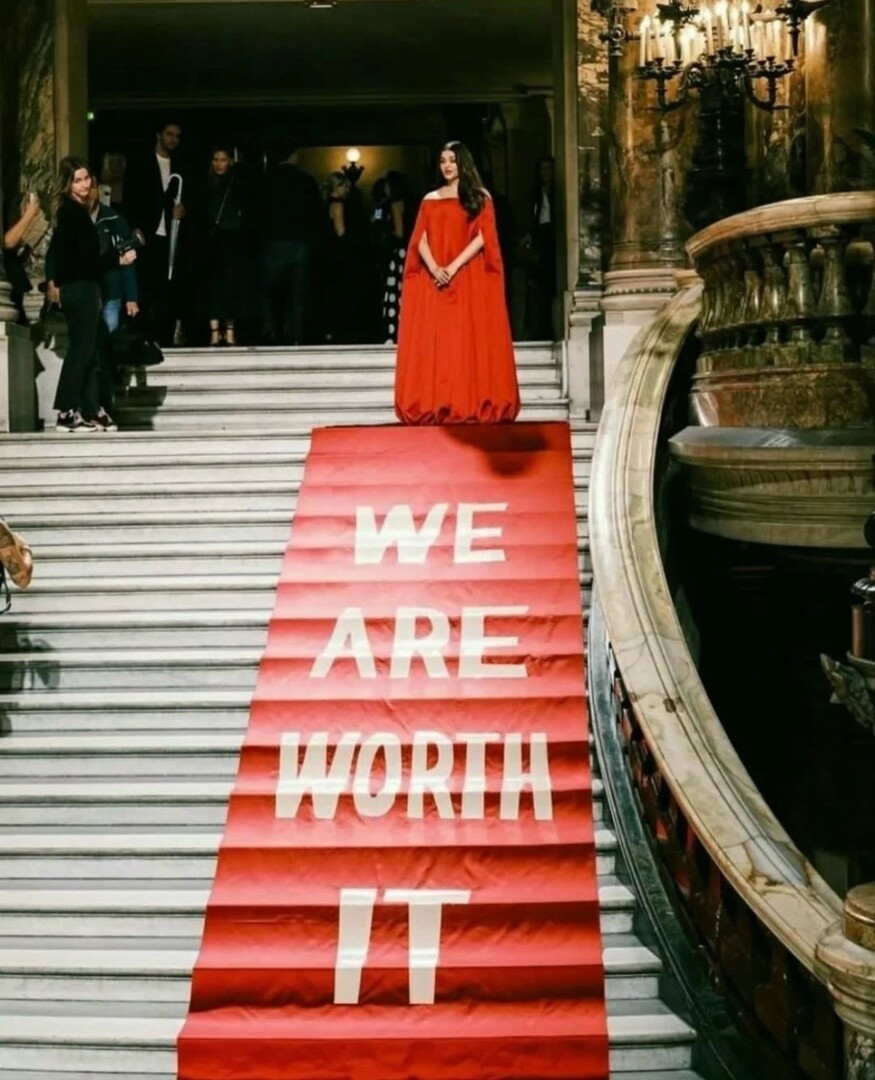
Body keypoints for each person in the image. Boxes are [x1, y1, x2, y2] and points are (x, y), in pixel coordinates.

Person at [394, 140, 520, 425]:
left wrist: (453, 266)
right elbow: (419, 238)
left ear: (463, 163)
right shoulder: (430, 199)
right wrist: (434, 267)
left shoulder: (480, 197)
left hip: (467, 278)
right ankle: (438, 400)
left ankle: (469, 400)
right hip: (436, 279)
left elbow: (483, 237)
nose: (447, 166)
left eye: (451, 160)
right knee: (442, 342)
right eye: (443, 161)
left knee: (466, 339)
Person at [48, 157, 136, 433]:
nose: (85, 184)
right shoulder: (71, 213)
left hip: (82, 286)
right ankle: (66, 412)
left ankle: (90, 410)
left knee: (92, 349)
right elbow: (84, 259)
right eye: (78, 180)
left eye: (87, 178)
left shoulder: (75, 212)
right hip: (80, 287)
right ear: (68, 184)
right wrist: (117, 260)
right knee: (82, 350)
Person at [126, 121, 188, 346]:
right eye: (169, 134)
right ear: (159, 135)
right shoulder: (141, 162)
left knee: (167, 289)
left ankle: (165, 338)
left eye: (177, 136)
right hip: (146, 235)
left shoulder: (180, 165)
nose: (173, 139)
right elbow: (130, 196)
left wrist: (184, 211)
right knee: (145, 287)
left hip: (170, 236)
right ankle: (143, 338)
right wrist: (134, 226)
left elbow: (188, 198)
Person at [259, 146, 323, 346]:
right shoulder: (306, 181)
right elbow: (316, 214)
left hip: (273, 241)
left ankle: (270, 329)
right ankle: (295, 332)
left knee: (270, 291)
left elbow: (257, 212)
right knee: (297, 293)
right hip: (299, 241)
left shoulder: (266, 181)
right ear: (294, 156)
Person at [197, 146, 246, 346]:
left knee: (230, 285)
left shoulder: (236, 183)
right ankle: (215, 331)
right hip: (211, 240)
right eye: (216, 159)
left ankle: (230, 330)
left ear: (230, 162)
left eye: (223, 160)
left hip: (231, 238)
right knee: (213, 286)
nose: (219, 164)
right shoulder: (205, 184)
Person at [380, 170, 414, 344]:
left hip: (398, 252)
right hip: (408, 251)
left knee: (395, 291)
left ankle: (393, 330)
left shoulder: (394, 204)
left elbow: (399, 232)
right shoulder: (409, 203)